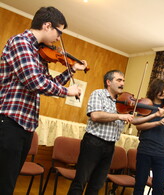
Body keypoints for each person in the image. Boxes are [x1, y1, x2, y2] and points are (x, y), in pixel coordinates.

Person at [0, 6, 88, 195]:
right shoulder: (21, 42)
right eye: (59, 32)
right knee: (3, 183)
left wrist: (71, 70)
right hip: (9, 123)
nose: (59, 38)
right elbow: (35, 82)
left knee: (9, 180)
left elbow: (48, 84)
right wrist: (67, 91)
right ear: (47, 25)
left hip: (25, 127)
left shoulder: (39, 54)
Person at [68, 70, 164, 195]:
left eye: (123, 81)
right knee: (80, 181)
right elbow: (95, 115)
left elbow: (135, 120)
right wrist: (120, 116)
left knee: (96, 184)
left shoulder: (124, 101)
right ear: (108, 82)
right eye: (119, 80)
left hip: (110, 146)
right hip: (93, 143)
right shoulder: (98, 94)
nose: (122, 83)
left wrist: (155, 115)